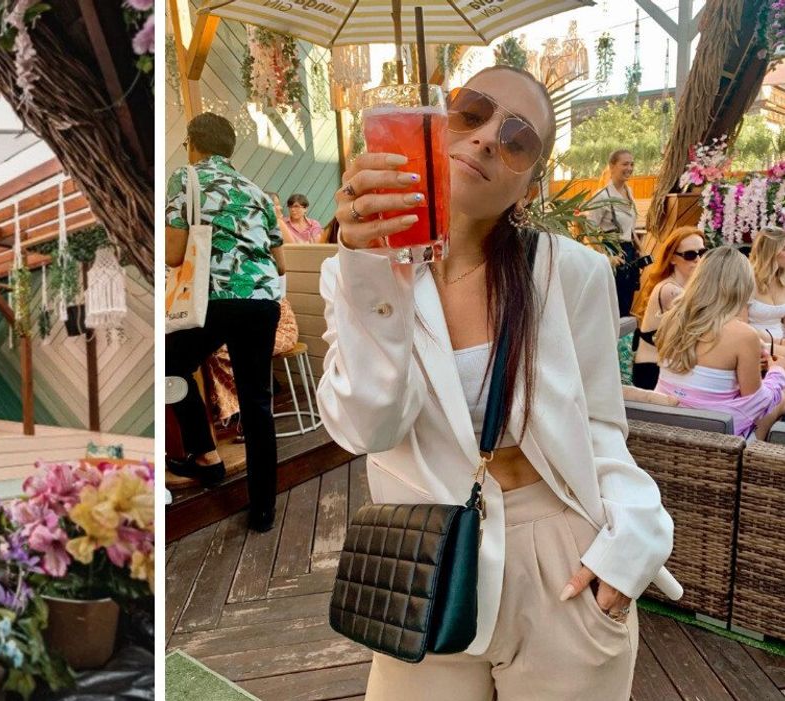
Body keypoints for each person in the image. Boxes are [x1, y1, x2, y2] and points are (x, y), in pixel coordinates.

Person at [318, 65, 678, 699]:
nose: (486, 138)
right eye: (472, 113)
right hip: (424, 564)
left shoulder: (572, 274)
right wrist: (374, 272)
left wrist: (633, 542)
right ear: (438, 124)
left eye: (517, 139)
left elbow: (600, 428)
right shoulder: (355, 274)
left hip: (562, 560)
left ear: (528, 185)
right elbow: (367, 428)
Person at [164, 112, 284, 532]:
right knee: (258, 403)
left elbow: (174, 254)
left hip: (214, 299)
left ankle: (206, 455)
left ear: (194, 142)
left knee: (168, 367)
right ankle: (264, 509)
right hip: (264, 299)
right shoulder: (255, 191)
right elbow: (280, 261)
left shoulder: (186, 177)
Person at [654, 247, 785, 440]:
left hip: (666, 424)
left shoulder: (671, 319)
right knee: (780, 396)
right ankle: (753, 463)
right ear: (742, 285)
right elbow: (756, 403)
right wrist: (777, 372)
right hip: (715, 436)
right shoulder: (743, 334)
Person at [208, 299, 299, 440]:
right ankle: (239, 409)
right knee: (217, 353)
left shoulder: (263, 286)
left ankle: (242, 411)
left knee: (228, 351)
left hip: (280, 330)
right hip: (253, 325)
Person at [630, 226, 706, 390]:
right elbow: (704, 326)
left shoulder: (686, 287)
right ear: (672, 258)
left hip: (669, 369)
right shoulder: (670, 291)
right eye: (690, 255)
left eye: (702, 253)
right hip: (652, 374)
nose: (698, 259)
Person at [586, 149, 643, 317]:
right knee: (614, 307)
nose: (629, 168)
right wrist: (606, 256)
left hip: (629, 252)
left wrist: (640, 248)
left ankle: (624, 341)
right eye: (625, 164)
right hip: (613, 252)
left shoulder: (629, 192)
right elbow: (589, 229)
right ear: (611, 166)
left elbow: (630, 227)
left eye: (632, 164)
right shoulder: (602, 196)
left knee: (627, 302)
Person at [747, 226, 785, 348]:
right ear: (770, 251)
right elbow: (740, 324)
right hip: (754, 343)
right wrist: (778, 343)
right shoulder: (747, 279)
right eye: (784, 249)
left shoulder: (783, 278)